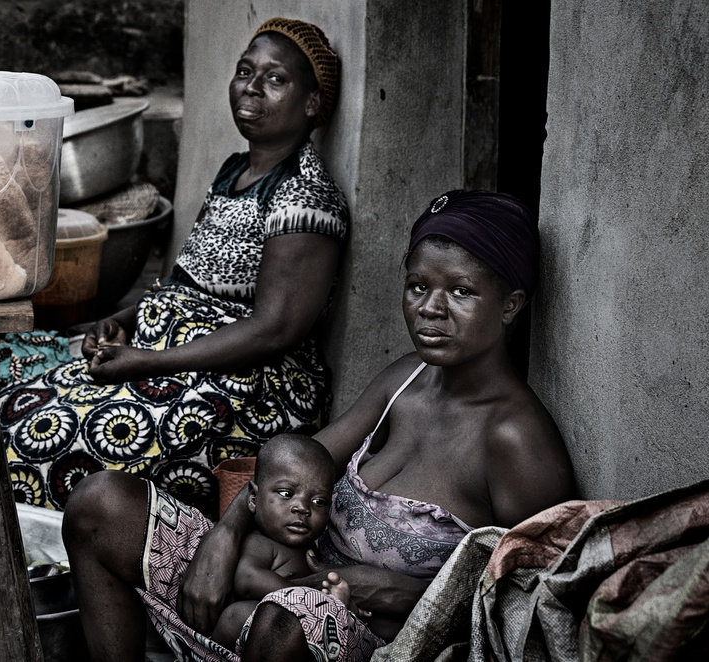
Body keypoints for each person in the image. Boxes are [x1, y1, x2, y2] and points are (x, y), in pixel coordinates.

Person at [61, 188, 577, 662]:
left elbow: (518, 605)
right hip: (277, 581)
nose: (430, 309)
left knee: (287, 622)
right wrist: (224, 535)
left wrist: (386, 589)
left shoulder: (514, 439)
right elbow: (297, 464)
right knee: (100, 505)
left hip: (368, 636)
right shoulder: (407, 378)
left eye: (461, 292)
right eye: (418, 286)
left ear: (511, 305)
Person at [0, 16, 347, 512]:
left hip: (245, 393)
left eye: (276, 79)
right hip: (175, 357)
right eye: (245, 70)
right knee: (1, 396)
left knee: (47, 436)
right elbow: (182, 282)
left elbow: (273, 330)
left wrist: (148, 362)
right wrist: (122, 322)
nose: (252, 87)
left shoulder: (305, 196)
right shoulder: (234, 170)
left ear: (313, 103)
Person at [209, 433, 348, 649]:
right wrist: (307, 597)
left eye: (319, 501)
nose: (302, 508)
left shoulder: (308, 547)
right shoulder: (260, 542)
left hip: (291, 638)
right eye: (286, 493)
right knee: (238, 614)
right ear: (253, 498)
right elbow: (247, 579)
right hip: (245, 639)